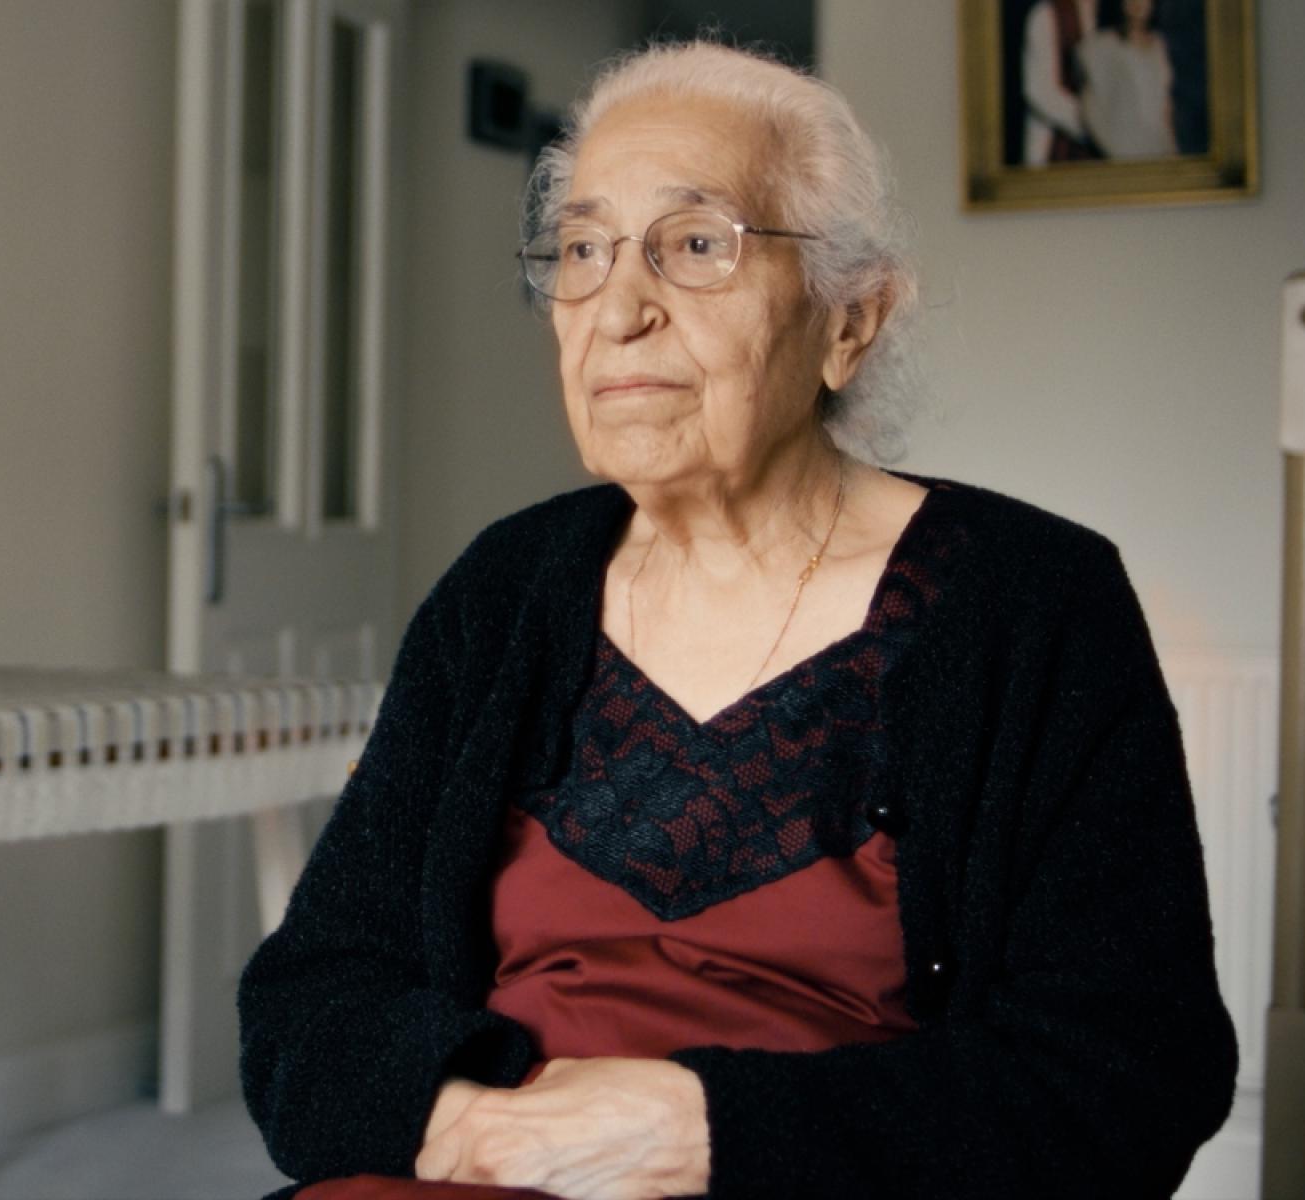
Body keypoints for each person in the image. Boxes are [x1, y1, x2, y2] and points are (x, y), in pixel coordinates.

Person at [237, 41, 1236, 1200]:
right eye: (581, 250)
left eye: (697, 244)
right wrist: (472, 1126)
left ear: (848, 322)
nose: (618, 309)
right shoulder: (504, 592)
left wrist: (703, 1130)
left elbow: (1129, 1077)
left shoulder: (1030, 604)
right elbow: (309, 995)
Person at [1076, 0, 1178, 160]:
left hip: (1163, 155)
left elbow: (1167, 108)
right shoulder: (1099, 48)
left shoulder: (1162, 45)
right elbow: (1093, 113)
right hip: (1123, 158)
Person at [1019, 0, 1101, 164]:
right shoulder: (1046, 14)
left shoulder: (1107, 14)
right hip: (1054, 145)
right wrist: (1092, 124)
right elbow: (1040, 91)